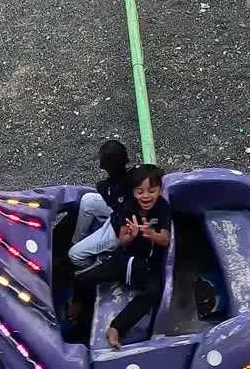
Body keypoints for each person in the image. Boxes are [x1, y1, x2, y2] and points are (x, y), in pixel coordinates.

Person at [72, 164, 171, 349]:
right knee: (81, 278)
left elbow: (165, 239)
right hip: (123, 260)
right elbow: (122, 240)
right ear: (133, 192)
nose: (146, 196)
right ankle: (79, 303)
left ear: (160, 190)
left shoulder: (162, 208)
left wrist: (151, 234)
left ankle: (117, 327)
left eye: (152, 191)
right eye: (140, 192)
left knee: (153, 294)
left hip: (147, 265)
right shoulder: (129, 207)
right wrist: (132, 235)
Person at [68, 140, 133, 268]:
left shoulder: (109, 188)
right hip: (120, 213)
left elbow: (113, 199)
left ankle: (95, 264)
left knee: (74, 255)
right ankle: (77, 242)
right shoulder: (130, 177)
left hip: (122, 227)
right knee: (88, 200)